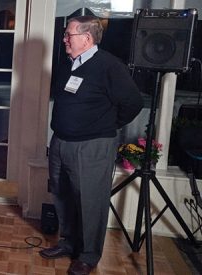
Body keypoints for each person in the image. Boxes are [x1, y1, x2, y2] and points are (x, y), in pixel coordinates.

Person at [39, 16, 143, 274]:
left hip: (92, 146)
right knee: (62, 194)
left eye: (68, 35)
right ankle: (69, 242)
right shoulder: (68, 64)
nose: (64, 39)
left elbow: (133, 104)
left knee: (90, 201)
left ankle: (88, 255)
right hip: (61, 141)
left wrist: (103, 124)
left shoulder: (109, 66)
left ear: (86, 39)